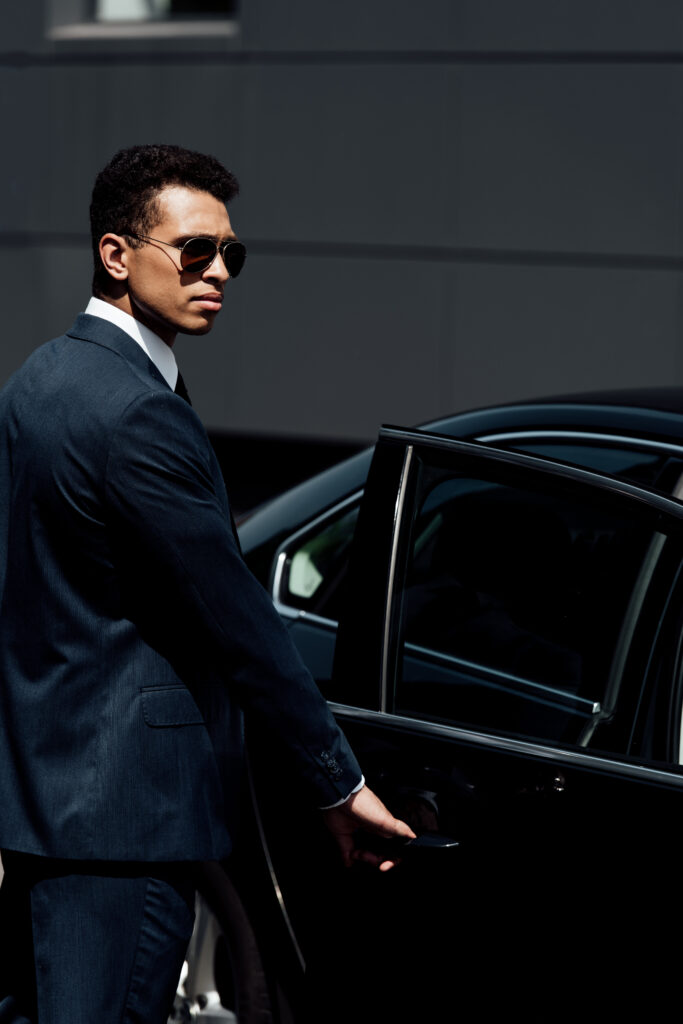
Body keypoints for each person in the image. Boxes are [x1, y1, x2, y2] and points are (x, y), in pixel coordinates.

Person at [0, 144, 414, 1024]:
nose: (219, 271)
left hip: (44, 806)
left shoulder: (38, 380)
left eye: (231, 253)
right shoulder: (137, 411)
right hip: (126, 823)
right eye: (194, 250)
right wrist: (337, 783)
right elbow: (240, 623)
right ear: (117, 255)